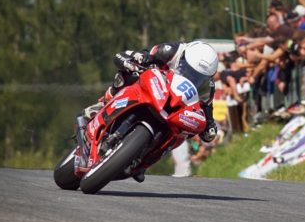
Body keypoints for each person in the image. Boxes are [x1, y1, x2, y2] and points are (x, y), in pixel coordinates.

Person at [83, 40, 220, 145]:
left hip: (173, 107)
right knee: (130, 74)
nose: (193, 76)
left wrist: (209, 125)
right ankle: (103, 104)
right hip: (153, 85)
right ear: (184, 57)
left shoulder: (207, 86)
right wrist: (139, 60)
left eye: (198, 76)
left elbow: (206, 107)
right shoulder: (172, 50)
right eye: (189, 69)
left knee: (183, 133)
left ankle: (153, 152)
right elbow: (142, 56)